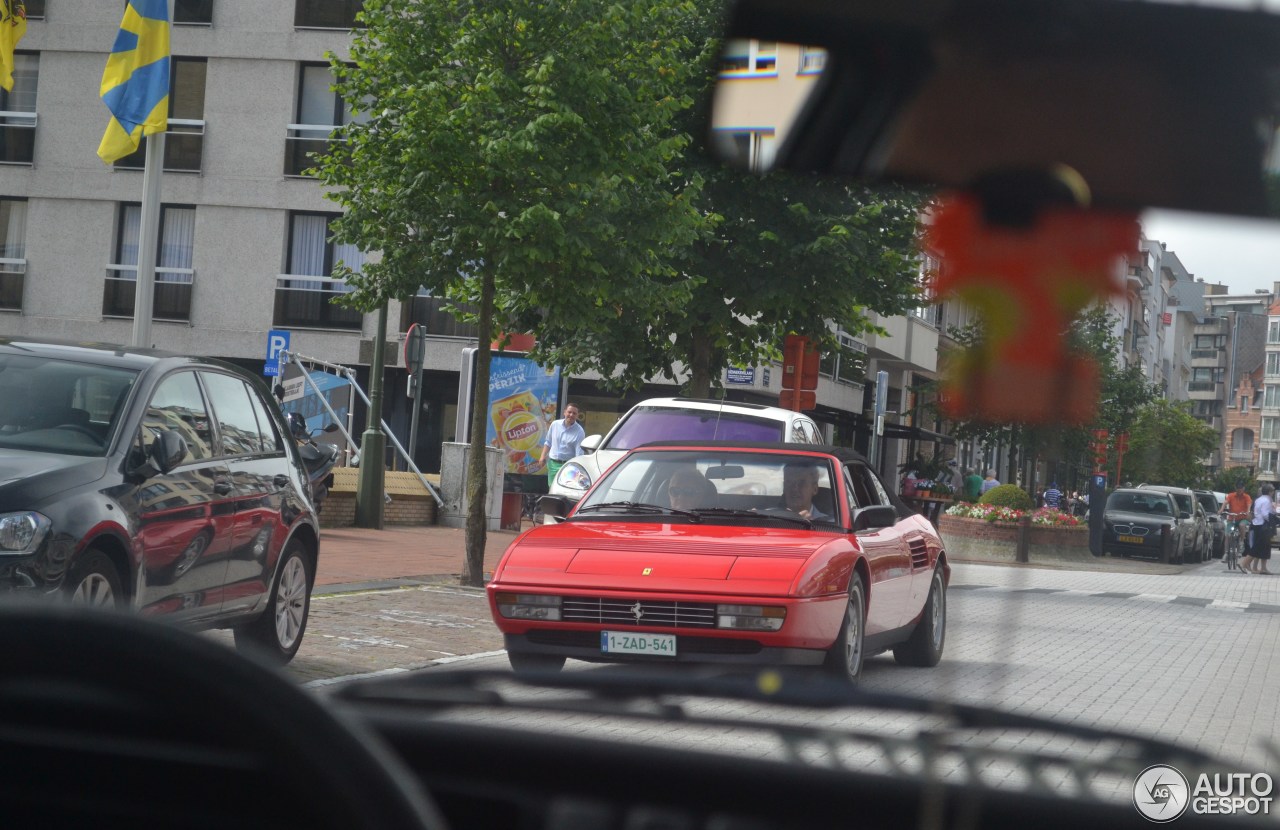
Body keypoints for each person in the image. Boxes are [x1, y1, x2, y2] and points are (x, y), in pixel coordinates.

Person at [539, 403, 584, 485]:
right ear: (564, 412)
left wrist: (578, 469)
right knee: (552, 489)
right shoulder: (555, 424)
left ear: (577, 416)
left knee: (564, 490)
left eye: (574, 413)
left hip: (568, 466)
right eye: (569, 412)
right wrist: (542, 456)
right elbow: (548, 442)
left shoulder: (579, 431)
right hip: (553, 464)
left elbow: (579, 453)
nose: (571, 415)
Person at [1241, 483, 1274, 575]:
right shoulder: (1267, 501)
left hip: (1256, 524)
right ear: (1269, 492)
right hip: (1263, 525)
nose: (1273, 493)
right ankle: (1244, 563)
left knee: (1265, 547)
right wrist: (1272, 519)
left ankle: (1263, 568)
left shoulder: (1258, 499)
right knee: (1258, 546)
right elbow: (1265, 514)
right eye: (1272, 491)